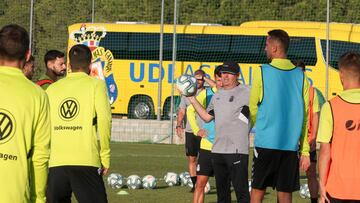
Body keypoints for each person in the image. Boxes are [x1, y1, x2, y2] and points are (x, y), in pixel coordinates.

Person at [249, 29, 310, 203]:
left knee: (258, 191)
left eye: (267, 45)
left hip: (266, 144)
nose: (265, 49)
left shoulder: (262, 71)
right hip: (290, 147)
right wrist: (304, 149)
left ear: (275, 48)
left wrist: (261, 127)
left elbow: (253, 107)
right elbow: (305, 117)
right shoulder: (302, 77)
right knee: (285, 194)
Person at [46, 44, 111, 203]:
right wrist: (105, 156)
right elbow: (104, 120)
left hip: (56, 162)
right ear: (90, 66)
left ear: (69, 65)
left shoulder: (52, 89)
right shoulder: (97, 85)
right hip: (86, 160)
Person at [187, 61, 251, 203]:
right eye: (223, 73)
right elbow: (206, 117)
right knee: (222, 196)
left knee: (242, 194)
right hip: (217, 151)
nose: (226, 76)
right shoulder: (217, 96)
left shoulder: (248, 91)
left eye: (230, 73)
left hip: (237, 151)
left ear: (238, 75)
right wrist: (191, 98)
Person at [0, 24, 51, 203]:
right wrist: (38, 197)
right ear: (28, 55)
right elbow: (40, 156)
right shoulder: (37, 95)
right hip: (14, 194)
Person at [318, 51, 360, 203]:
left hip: (337, 189)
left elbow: (324, 151)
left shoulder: (330, 107)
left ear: (341, 74)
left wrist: (322, 185)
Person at [188, 66, 231, 203]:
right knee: (200, 183)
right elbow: (190, 110)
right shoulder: (206, 94)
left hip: (224, 146)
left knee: (223, 186)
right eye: (218, 80)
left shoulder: (233, 95)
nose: (220, 83)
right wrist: (196, 130)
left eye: (222, 80)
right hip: (207, 146)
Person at [295, 60, 325, 203]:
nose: (299, 75)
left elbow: (316, 115)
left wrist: (313, 137)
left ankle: (314, 200)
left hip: (307, 139)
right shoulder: (288, 91)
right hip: (291, 140)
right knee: (286, 174)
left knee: (311, 172)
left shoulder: (312, 91)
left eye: (301, 72)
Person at [176, 69, 206, 191]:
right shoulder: (186, 93)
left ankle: (204, 182)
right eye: (196, 79)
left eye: (201, 79)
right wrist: (179, 124)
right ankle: (195, 185)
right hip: (190, 131)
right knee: (192, 158)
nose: (198, 81)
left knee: (206, 159)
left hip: (205, 131)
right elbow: (182, 110)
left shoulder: (209, 93)